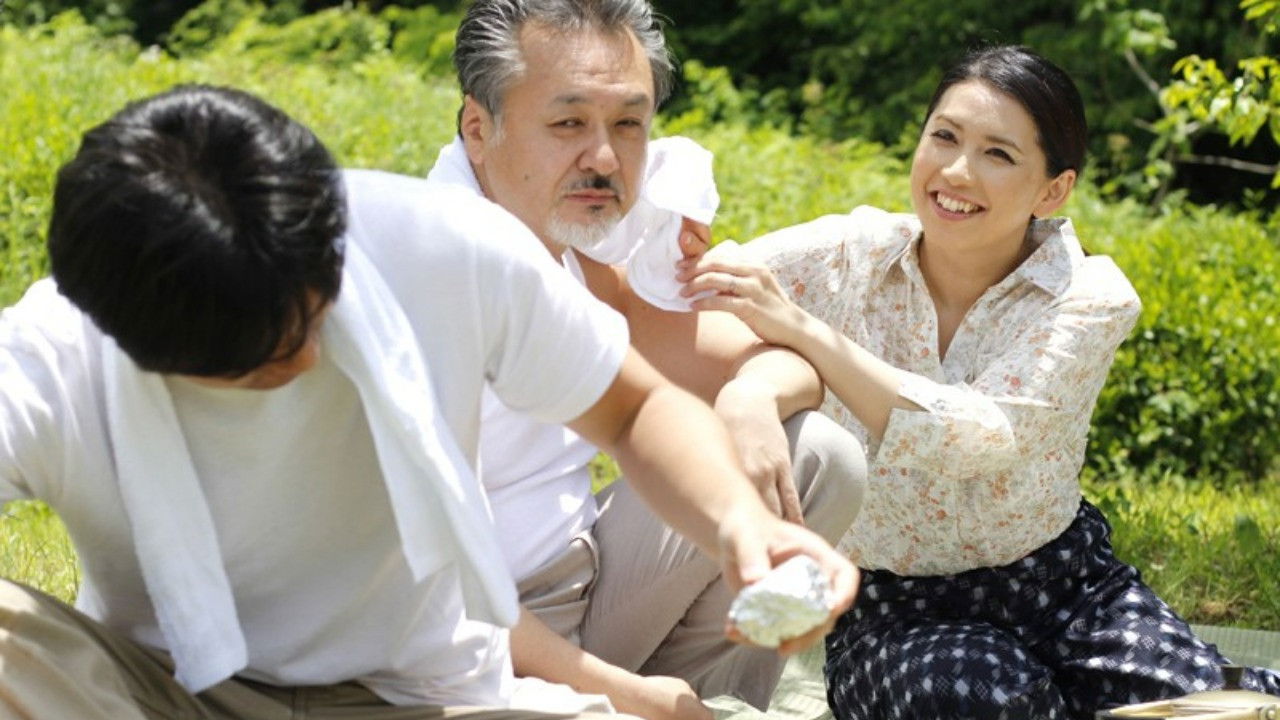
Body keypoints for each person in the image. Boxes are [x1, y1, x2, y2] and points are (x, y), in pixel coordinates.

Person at [0, 84, 858, 720]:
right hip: (155, 688)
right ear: (120, 333)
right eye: (262, 359)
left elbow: (632, 411)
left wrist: (737, 525)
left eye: (314, 319)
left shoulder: (442, 248)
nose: (305, 358)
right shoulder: (54, 356)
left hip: (416, 692)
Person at [679, 45, 1280, 719]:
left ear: (1052, 189)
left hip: (1066, 587)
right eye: (944, 137)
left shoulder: (1088, 296)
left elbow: (978, 437)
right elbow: (708, 280)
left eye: (998, 154)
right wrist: (752, 389)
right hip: (894, 610)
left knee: (1223, 709)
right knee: (986, 700)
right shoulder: (847, 254)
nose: (956, 172)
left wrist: (808, 333)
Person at [428, 0, 868, 717]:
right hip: (465, 643)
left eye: (627, 124)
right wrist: (630, 695)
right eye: (568, 123)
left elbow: (779, 364)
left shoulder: (570, 252)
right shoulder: (432, 281)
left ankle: (700, 703)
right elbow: (436, 593)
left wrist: (748, 399)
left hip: (587, 587)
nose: (604, 159)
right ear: (479, 128)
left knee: (814, 453)